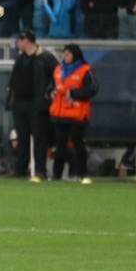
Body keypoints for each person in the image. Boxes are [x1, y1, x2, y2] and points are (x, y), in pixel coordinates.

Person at [7, 29, 58, 179]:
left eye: (19, 40)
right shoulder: (20, 59)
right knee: (22, 139)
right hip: (19, 105)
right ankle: (21, 170)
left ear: (26, 40)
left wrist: (50, 91)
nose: (17, 44)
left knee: (39, 139)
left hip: (37, 105)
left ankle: (40, 171)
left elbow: (58, 74)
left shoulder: (45, 58)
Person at [49, 44, 99, 184]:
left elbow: (93, 88)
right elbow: (51, 86)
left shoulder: (85, 70)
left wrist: (75, 93)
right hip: (60, 113)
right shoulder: (58, 70)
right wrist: (50, 93)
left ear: (75, 55)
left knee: (78, 144)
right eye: (64, 54)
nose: (65, 57)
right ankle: (56, 175)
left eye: (68, 54)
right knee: (60, 146)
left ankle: (81, 174)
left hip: (77, 114)